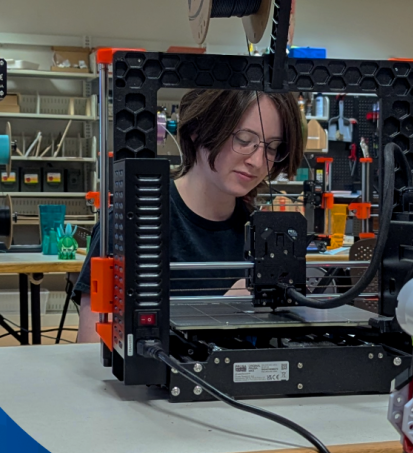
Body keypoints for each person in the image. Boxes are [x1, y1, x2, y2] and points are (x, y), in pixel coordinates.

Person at [72, 88, 304, 342]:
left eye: (272, 148)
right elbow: (92, 348)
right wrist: (220, 312)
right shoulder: (129, 224)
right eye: (244, 140)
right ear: (198, 132)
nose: (258, 162)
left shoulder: (264, 235)